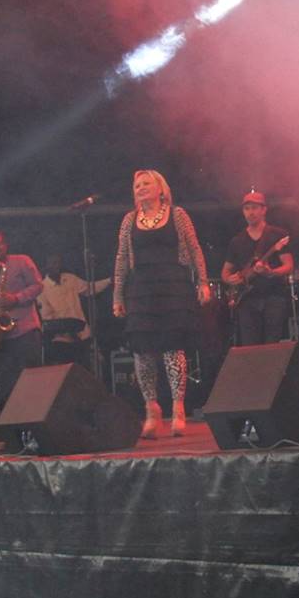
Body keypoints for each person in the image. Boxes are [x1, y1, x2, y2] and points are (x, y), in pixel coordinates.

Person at [113, 170, 211, 438]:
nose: (141, 188)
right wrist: (118, 296)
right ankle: (151, 408)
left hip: (172, 286)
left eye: (146, 183)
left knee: (172, 348)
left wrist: (203, 281)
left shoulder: (177, 215)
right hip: (141, 288)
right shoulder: (129, 220)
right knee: (142, 350)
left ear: (161, 189)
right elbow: (122, 258)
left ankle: (178, 408)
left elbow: (194, 248)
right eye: (137, 185)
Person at [0, 231, 45, 403]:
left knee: (32, 381)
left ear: (6, 245)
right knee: (7, 385)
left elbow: (38, 285)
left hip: (25, 331)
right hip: (1, 338)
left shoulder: (22, 261)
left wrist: (17, 298)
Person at [222, 190, 294, 346]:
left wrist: (271, 272)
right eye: (247, 208)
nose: (250, 212)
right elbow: (225, 272)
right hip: (247, 299)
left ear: (264, 210)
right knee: (250, 346)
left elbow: (288, 265)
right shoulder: (237, 241)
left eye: (254, 208)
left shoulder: (277, 235)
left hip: (274, 297)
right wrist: (230, 279)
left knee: (272, 344)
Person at [35, 250, 111, 369]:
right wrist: (66, 328)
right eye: (53, 263)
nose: (57, 266)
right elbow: (48, 317)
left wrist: (109, 281)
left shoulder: (70, 279)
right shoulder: (42, 288)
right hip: (62, 340)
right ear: (46, 266)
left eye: (58, 262)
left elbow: (90, 288)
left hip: (83, 335)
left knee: (87, 370)